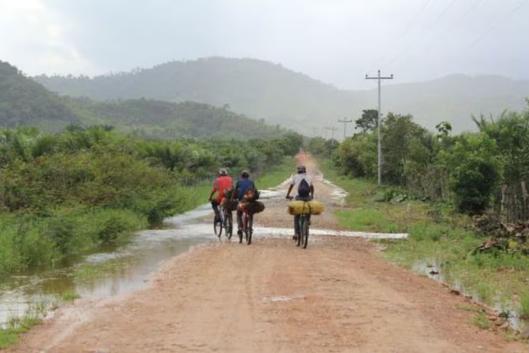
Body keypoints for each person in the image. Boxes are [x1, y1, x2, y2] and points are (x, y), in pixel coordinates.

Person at [285, 165, 314, 239]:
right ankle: (308, 220)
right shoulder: (309, 177)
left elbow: (291, 186)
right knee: (309, 208)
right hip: (307, 197)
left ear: (298, 171)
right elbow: (312, 187)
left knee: (296, 215)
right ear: (305, 171)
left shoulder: (295, 177)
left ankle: (296, 233)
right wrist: (312, 195)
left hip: (298, 198)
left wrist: (288, 195)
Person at [233, 170, 257, 236]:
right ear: (248, 176)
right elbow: (255, 191)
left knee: (238, 213)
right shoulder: (251, 182)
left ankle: (240, 227)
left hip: (242, 201)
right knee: (251, 214)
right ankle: (250, 227)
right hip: (250, 201)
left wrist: (233, 198)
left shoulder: (238, 182)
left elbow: (235, 192)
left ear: (241, 176)